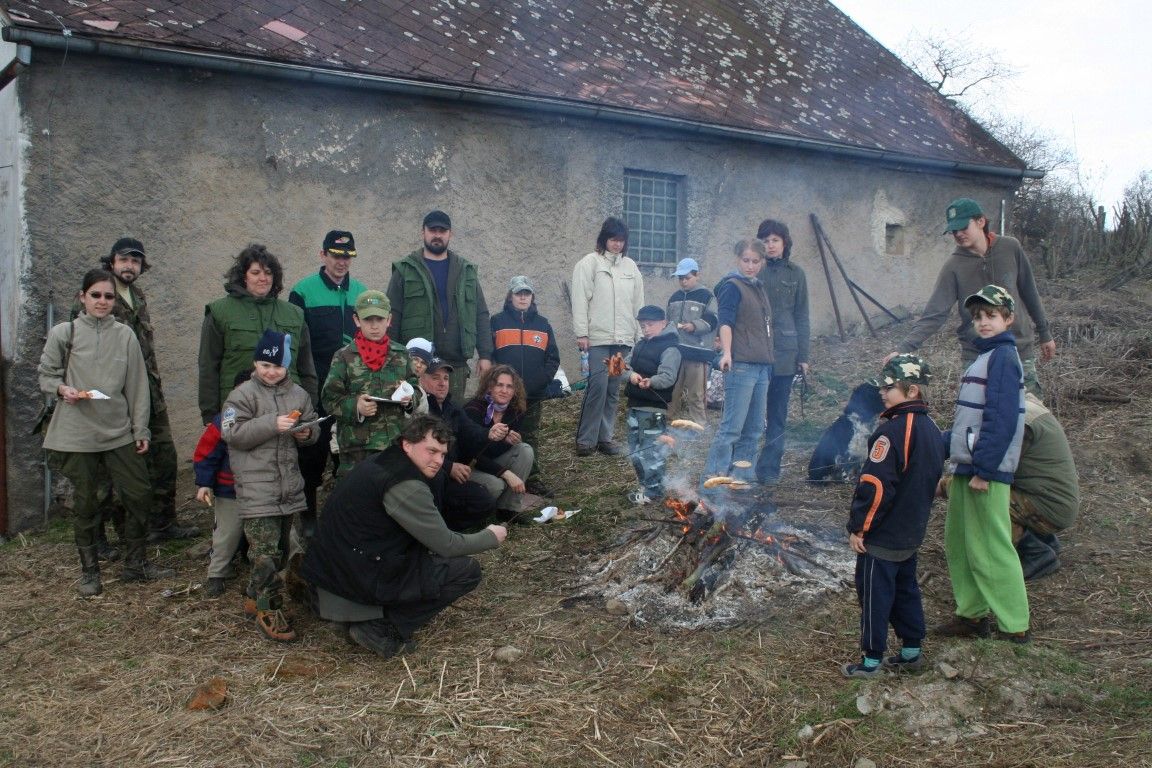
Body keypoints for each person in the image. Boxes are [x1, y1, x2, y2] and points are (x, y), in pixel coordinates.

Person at [301, 416, 507, 658]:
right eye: (431, 451)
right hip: (353, 576)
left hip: (332, 571)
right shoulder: (406, 484)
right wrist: (490, 536)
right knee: (466, 571)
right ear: (407, 444)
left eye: (443, 454)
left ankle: (360, 616)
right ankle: (378, 626)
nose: (438, 461)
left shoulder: (384, 461)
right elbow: (447, 545)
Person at [37, 268, 175, 596]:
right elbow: (46, 374)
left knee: (138, 494)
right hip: (78, 433)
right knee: (87, 503)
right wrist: (62, 390)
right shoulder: (64, 333)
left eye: (108, 296)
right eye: (95, 295)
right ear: (82, 297)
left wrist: (140, 429)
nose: (102, 301)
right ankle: (90, 572)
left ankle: (136, 564)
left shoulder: (125, 335)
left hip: (119, 431)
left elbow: (137, 386)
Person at [936, 285, 1030, 644]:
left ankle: (1015, 624)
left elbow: (1002, 418)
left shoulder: (1004, 358)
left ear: (1008, 319)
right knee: (960, 541)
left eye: (991, 315)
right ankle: (972, 614)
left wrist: (985, 469)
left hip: (985, 471)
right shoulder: (984, 356)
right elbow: (969, 420)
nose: (983, 322)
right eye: (978, 317)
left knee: (991, 545)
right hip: (967, 465)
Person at [841, 355, 945, 678]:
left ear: (912, 390)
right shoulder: (932, 428)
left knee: (874, 595)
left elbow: (874, 487)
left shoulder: (891, 433)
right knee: (906, 590)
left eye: (889, 388)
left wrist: (859, 528)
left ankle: (871, 662)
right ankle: (912, 652)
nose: (882, 393)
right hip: (911, 533)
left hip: (883, 537)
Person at [888, 198, 1056, 397]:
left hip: (1018, 348)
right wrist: (903, 349)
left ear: (980, 222)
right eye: (953, 230)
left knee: (1028, 408)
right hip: (977, 353)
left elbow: (1030, 292)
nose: (958, 234)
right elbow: (934, 314)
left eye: (963, 227)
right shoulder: (953, 266)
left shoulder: (1010, 247)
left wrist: (1045, 333)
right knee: (977, 409)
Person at [220, 330, 318, 643]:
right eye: (265, 365)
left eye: (278, 366)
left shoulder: (298, 395)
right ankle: (269, 608)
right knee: (264, 554)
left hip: (288, 487)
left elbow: (312, 424)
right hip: (256, 488)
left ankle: (254, 595)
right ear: (255, 363)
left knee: (282, 551)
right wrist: (271, 424)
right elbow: (231, 433)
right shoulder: (242, 395)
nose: (271, 371)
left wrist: (306, 433)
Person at [288, 230, 367, 533]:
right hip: (316, 387)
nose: (341, 262)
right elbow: (295, 345)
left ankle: (343, 516)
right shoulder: (303, 291)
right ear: (323, 255)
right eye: (335, 255)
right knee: (312, 453)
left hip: (351, 389)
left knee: (347, 453)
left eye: (347, 256)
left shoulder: (361, 293)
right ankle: (308, 517)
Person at [198, 244, 318, 425]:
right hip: (238, 410)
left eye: (268, 273)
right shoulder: (220, 312)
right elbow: (208, 366)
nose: (263, 278)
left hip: (287, 410)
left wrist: (309, 408)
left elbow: (306, 367)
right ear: (243, 276)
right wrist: (210, 414)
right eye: (255, 273)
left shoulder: (294, 314)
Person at [386, 210, 492, 402]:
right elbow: (392, 316)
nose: (437, 235)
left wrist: (485, 355)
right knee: (418, 416)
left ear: (450, 234)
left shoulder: (465, 271)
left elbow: (481, 314)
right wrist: (392, 359)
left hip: (455, 365)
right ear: (423, 232)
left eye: (442, 231)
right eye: (432, 230)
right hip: (417, 364)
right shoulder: (405, 270)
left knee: (453, 418)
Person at [323, 290, 421, 474]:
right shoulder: (344, 356)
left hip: (395, 444)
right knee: (357, 492)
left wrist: (409, 399)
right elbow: (329, 399)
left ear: (389, 320)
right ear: (357, 320)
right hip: (357, 450)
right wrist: (356, 407)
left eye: (380, 319)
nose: (374, 326)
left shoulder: (401, 354)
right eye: (368, 320)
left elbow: (415, 388)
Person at [571, 216, 645, 457]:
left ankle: (605, 437)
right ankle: (586, 439)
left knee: (613, 388)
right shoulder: (589, 263)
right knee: (598, 387)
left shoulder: (630, 267)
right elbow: (580, 300)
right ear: (604, 239)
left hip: (620, 342)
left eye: (621, 240)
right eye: (613, 239)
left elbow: (638, 303)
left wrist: (639, 334)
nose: (617, 244)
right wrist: (582, 333)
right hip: (598, 340)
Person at [703, 240, 775, 483]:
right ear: (738, 260)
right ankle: (713, 483)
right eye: (746, 260)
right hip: (741, 366)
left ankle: (740, 481)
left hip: (761, 367)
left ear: (762, 262)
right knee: (731, 429)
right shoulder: (732, 287)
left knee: (754, 430)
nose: (750, 266)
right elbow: (725, 322)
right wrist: (726, 353)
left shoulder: (757, 287)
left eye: (755, 261)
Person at [489, 275, 561, 496]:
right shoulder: (497, 322)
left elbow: (553, 358)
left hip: (533, 393)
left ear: (532, 297)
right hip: (503, 394)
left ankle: (533, 478)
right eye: (518, 293)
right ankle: (501, 473)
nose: (523, 297)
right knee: (503, 432)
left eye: (526, 293)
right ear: (510, 296)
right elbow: (489, 355)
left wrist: (541, 380)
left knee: (530, 435)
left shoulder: (543, 324)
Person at [754, 219, 811, 486]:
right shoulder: (754, 270)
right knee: (752, 413)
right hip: (755, 352)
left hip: (785, 355)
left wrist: (804, 357)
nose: (770, 245)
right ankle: (742, 466)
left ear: (784, 243)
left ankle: (769, 470)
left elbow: (802, 316)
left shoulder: (796, 274)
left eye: (775, 240)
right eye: (765, 241)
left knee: (777, 415)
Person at [1010, 393, 1079, 579]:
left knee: (987, 500)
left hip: (1049, 509)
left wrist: (945, 486)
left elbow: (994, 471)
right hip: (1055, 502)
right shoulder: (1026, 406)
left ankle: (1036, 554)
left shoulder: (1020, 422)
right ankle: (1043, 539)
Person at [195, 371, 246, 598]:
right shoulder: (224, 420)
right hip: (230, 489)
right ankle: (217, 574)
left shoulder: (269, 417)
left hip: (263, 488)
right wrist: (204, 483)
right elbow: (206, 453)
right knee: (227, 533)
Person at [623, 306, 682, 505]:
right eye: (642, 326)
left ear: (663, 323)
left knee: (652, 450)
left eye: (650, 325)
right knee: (634, 449)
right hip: (634, 405)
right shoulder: (639, 345)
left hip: (654, 408)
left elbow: (668, 376)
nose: (646, 329)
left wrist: (651, 381)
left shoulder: (671, 348)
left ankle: (654, 491)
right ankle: (646, 485)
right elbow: (623, 367)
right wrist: (630, 375)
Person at [463, 365, 536, 519]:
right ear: (490, 387)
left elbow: (496, 450)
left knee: (525, 450)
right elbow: (470, 453)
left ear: (515, 390)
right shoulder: (473, 409)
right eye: (499, 385)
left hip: (492, 460)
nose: (504, 390)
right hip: (470, 465)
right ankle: (479, 515)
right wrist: (505, 473)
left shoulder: (516, 410)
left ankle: (508, 509)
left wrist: (508, 441)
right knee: (496, 485)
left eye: (509, 386)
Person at [665, 258, 716, 427]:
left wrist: (694, 326)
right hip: (676, 352)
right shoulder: (674, 298)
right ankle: (669, 423)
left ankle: (699, 425)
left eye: (687, 277)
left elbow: (713, 320)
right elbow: (668, 321)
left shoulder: (707, 296)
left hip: (697, 352)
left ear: (697, 275)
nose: (683, 281)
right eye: (680, 278)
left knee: (696, 394)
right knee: (672, 391)